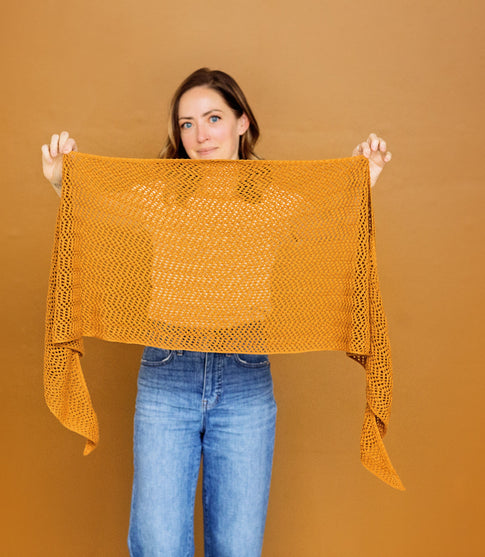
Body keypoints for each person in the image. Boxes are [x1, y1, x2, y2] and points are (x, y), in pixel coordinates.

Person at [41, 68, 392, 557]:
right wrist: (63, 180)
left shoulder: (272, 199)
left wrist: (362, 181)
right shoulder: (160, 193)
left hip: (246, 378)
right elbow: (97, 213)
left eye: (212, 118)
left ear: (242, 122)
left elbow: (330, 219)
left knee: (238, 547)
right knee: (158, 544)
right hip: (167, 374)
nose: (199, 135)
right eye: (186, 124)